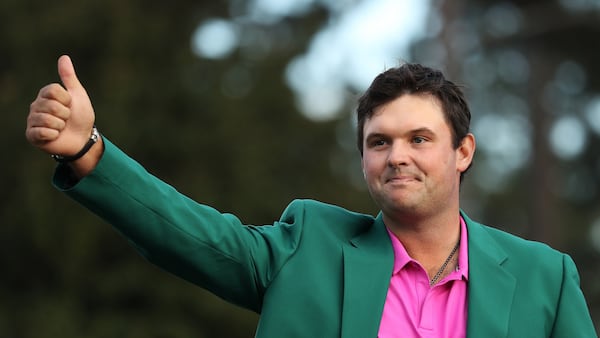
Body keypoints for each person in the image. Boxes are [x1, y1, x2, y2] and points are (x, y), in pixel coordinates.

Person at [26, 55, 597, 338]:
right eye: (379, 142)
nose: (397, 155)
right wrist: (87, 151)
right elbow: (188, 235)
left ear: (463, 152)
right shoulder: (308, 246)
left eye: (419, 138)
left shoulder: (545, 278)